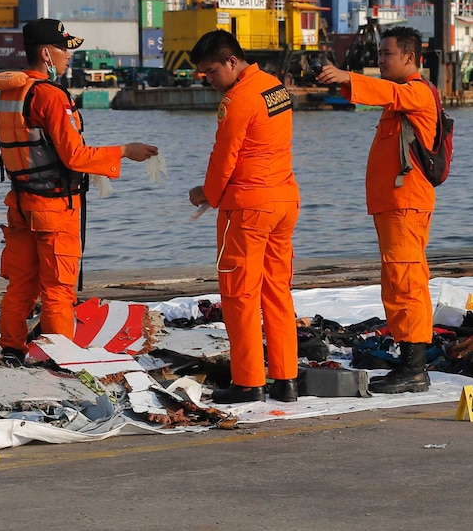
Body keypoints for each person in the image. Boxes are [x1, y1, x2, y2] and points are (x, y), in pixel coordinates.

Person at [0, 18, 158, 366]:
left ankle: (11, 351)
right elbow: (74, 156)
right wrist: (123, 151)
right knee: (58, 291)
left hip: (20, 205)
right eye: (64, 50)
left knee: (20, 286)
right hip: (53, 210)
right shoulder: (50, 96)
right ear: (47, 54)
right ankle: (58, 360)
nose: (69, 57)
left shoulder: (11, 93)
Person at [316, 26, 436, 393]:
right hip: (394, 207)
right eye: (379, 54)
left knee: (407, 283)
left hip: (405, 207)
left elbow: (385, 91)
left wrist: (349, 77)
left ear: (410, 58)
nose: (380, 60)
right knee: (398, 283)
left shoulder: (416, 93)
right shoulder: (399, 100)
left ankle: (415, 369)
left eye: (387, 54)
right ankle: (409, 364)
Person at [187, 30, 301, 404]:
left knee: (239, 293)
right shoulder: (274, 88)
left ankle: (249, 381)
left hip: (249, 207)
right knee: (277, 291)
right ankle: (285, 379)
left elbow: (224, 158)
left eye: (210, 71)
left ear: (231, 61)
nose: (207, 79)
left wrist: (208, 196)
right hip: (283, 200)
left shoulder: (238, 100)